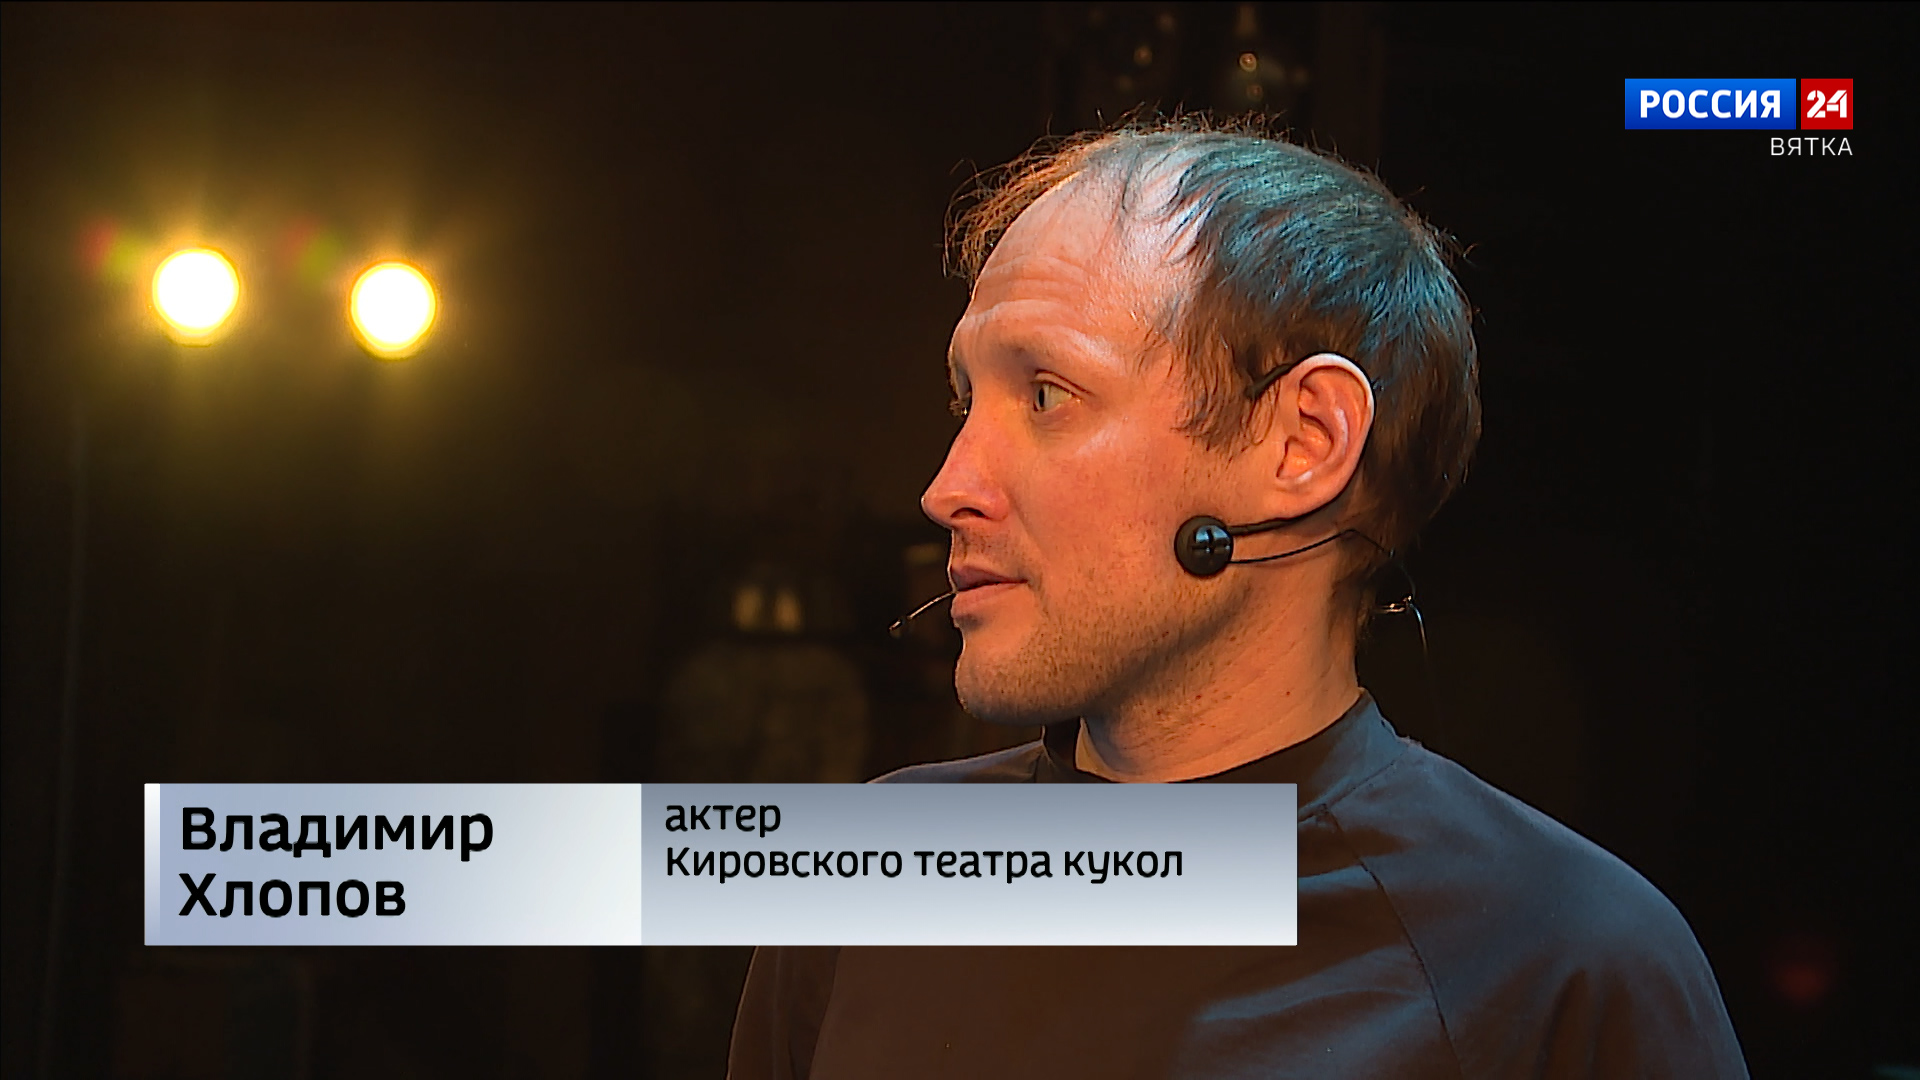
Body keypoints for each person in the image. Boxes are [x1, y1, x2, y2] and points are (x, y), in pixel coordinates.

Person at [727, 121, 1748, 1079]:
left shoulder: (1564, 968)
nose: (947, 486)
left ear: (1304, 443)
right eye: (966, 400)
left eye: (1045, 394)